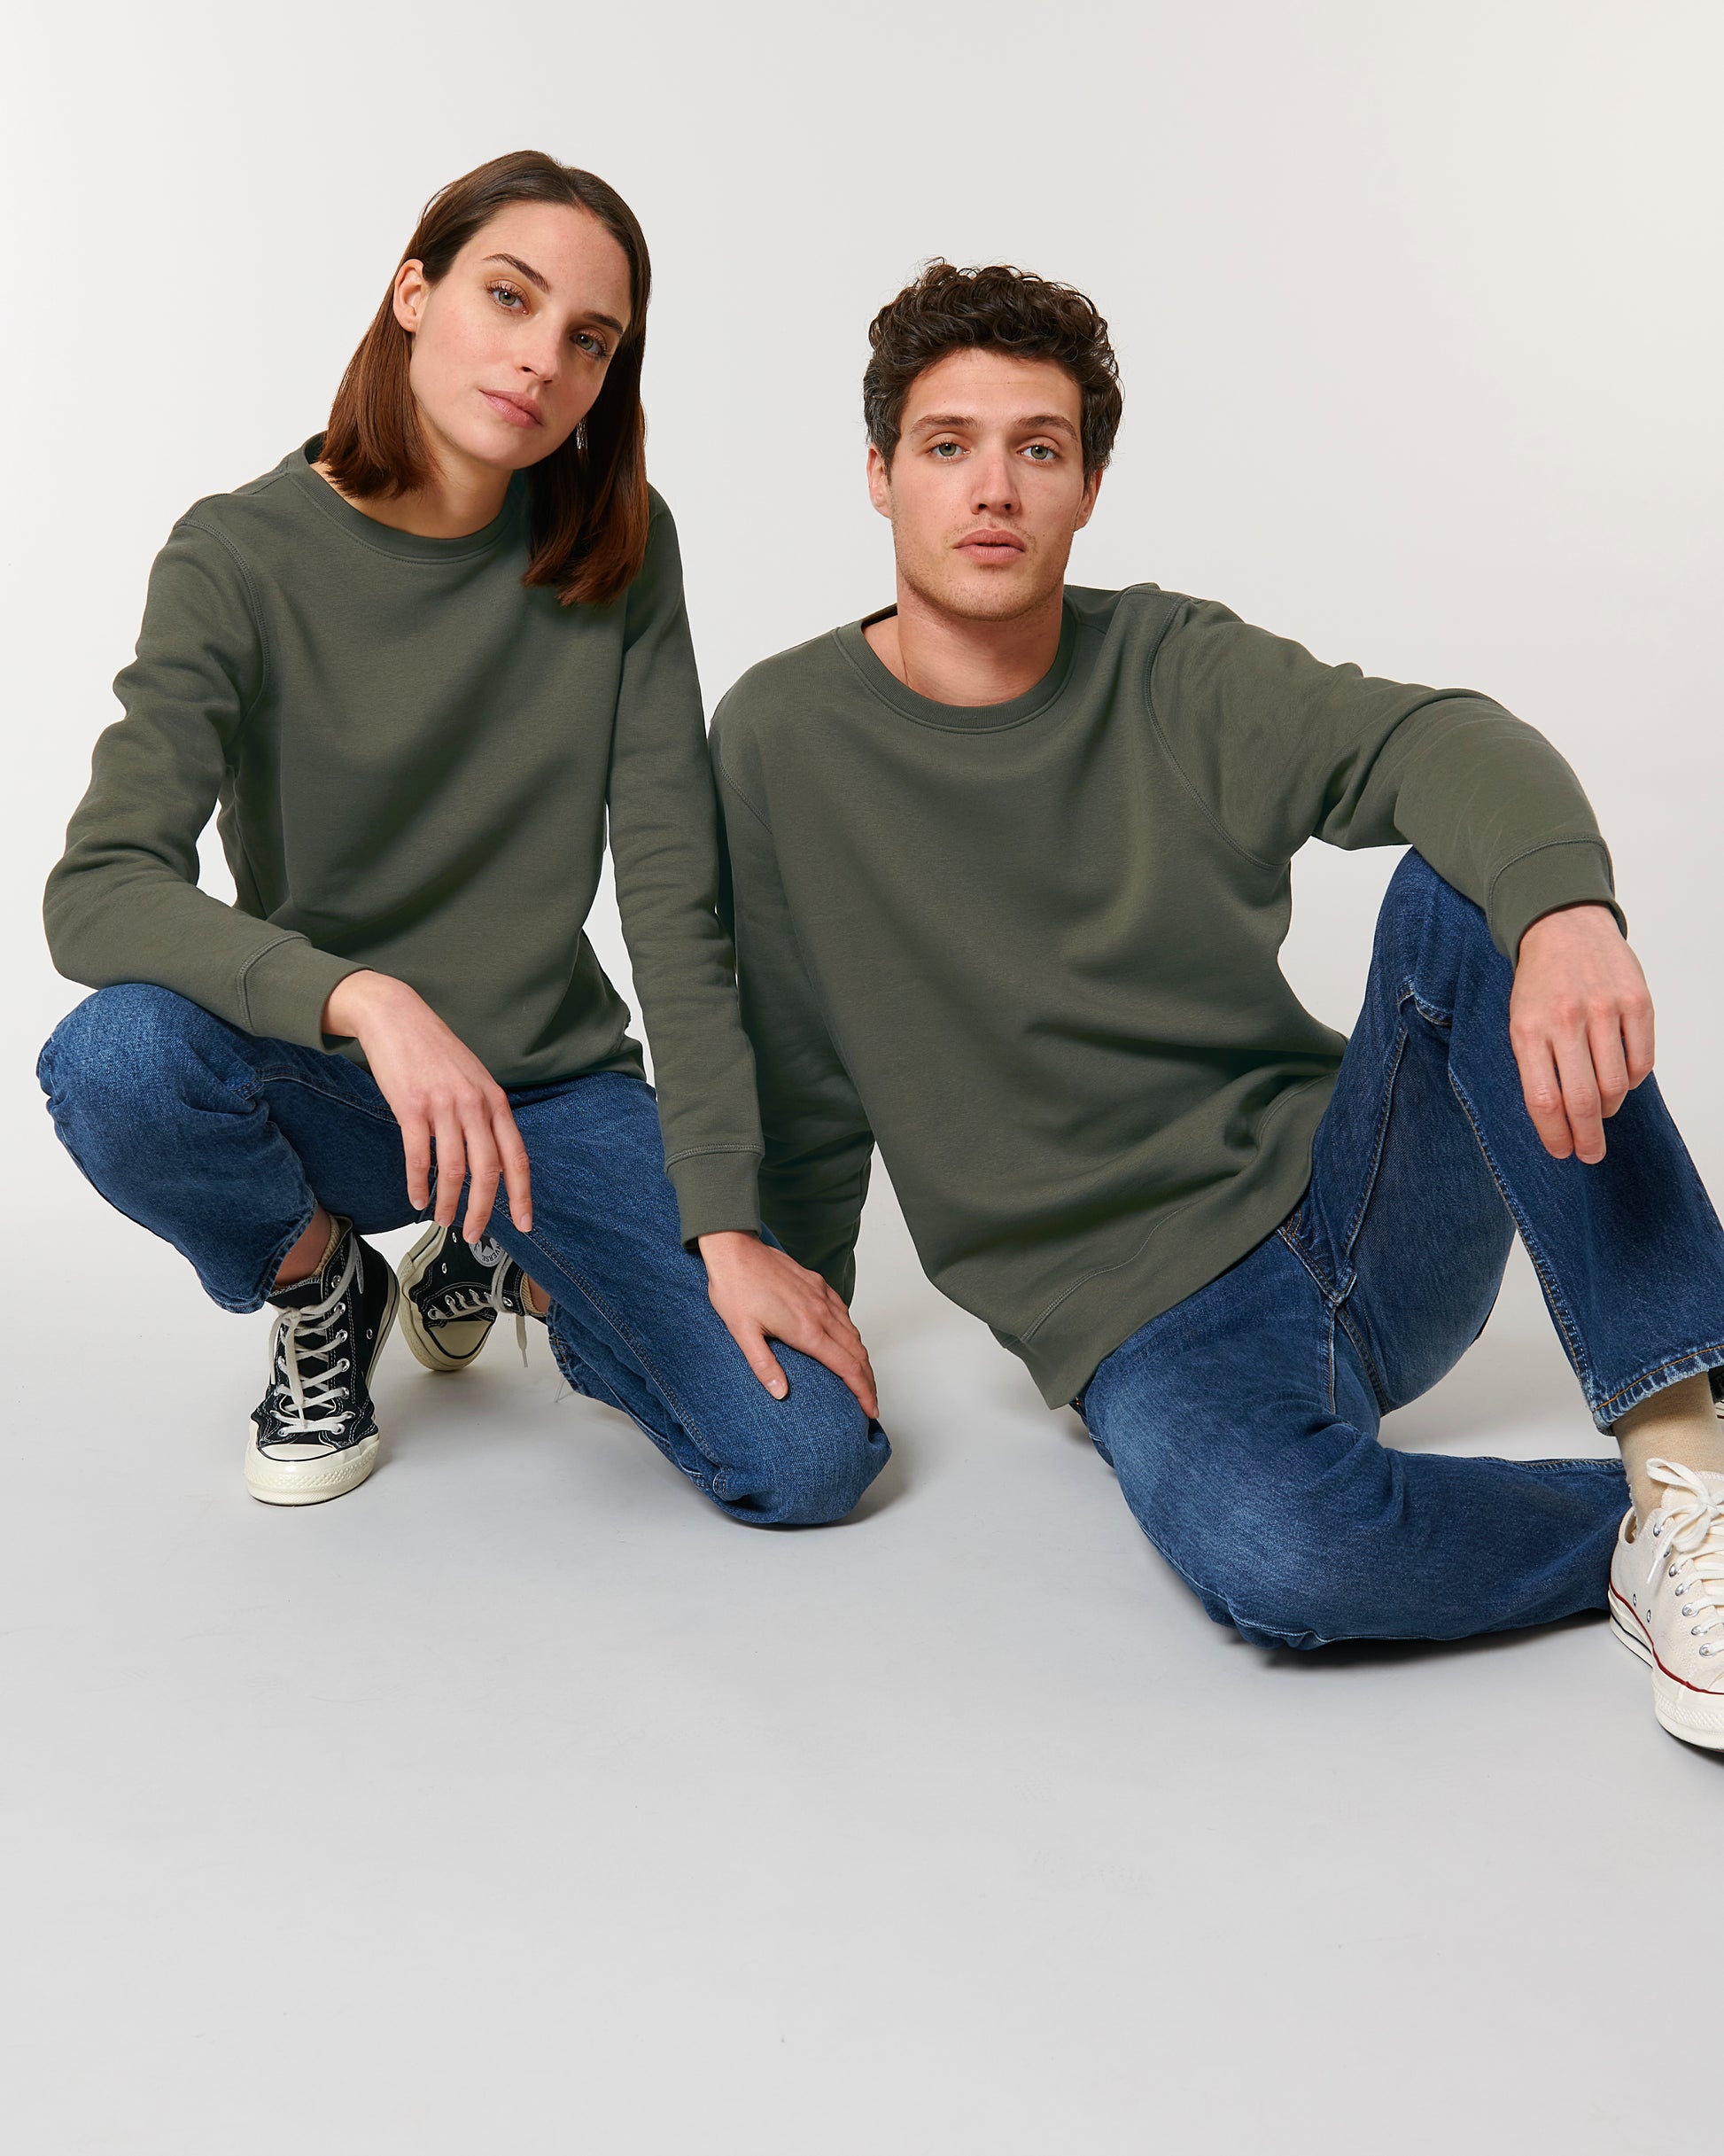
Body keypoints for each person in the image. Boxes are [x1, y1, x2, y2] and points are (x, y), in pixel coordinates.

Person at [711, 261, 1724, 1747]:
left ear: (1086, 486)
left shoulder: (1170, 666)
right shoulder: (780, 735)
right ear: (879, 475)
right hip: (1145, 1326)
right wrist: (785, 1295)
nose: (991, 488)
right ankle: (1636, 1533)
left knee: (1468, 889)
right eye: (946, 445)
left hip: (1357, 1208)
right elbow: (798, 1062)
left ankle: (1683, 1459)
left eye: (1037, 448)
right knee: (1287, 1556)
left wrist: (1566, 908)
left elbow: (1435, 739)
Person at [38, 150, 882, 1520]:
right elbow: (97, 889)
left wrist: (722, 1220)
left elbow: (673, 903)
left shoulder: (620, 547)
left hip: (546, 1094)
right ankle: (323, 1282)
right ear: (413, 294)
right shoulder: (237, 556)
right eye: (508, 295)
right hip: (333, 1083)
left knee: (809, 1456)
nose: (542, 357)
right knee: (116, 1057)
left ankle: (508, 1262)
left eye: (590, 339)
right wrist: (366, 1000)